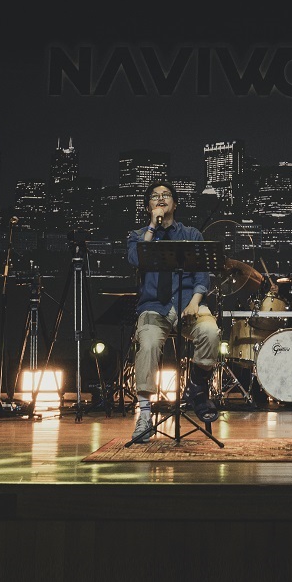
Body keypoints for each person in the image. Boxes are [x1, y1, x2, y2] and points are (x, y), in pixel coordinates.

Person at [127, 183, 220, 443]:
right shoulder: (138, 235)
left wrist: (195, 302)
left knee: (210, 332)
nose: (160, 199)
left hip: (188, 304)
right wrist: (152, 226)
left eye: (165, 195)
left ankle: (196, 387)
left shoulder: (191, 234)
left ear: (175, 203)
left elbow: (202, 275)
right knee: (147, 345)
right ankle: (145, 415)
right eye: (154, 197)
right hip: (153, 307)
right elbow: (136, 260)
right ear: (148, 206)